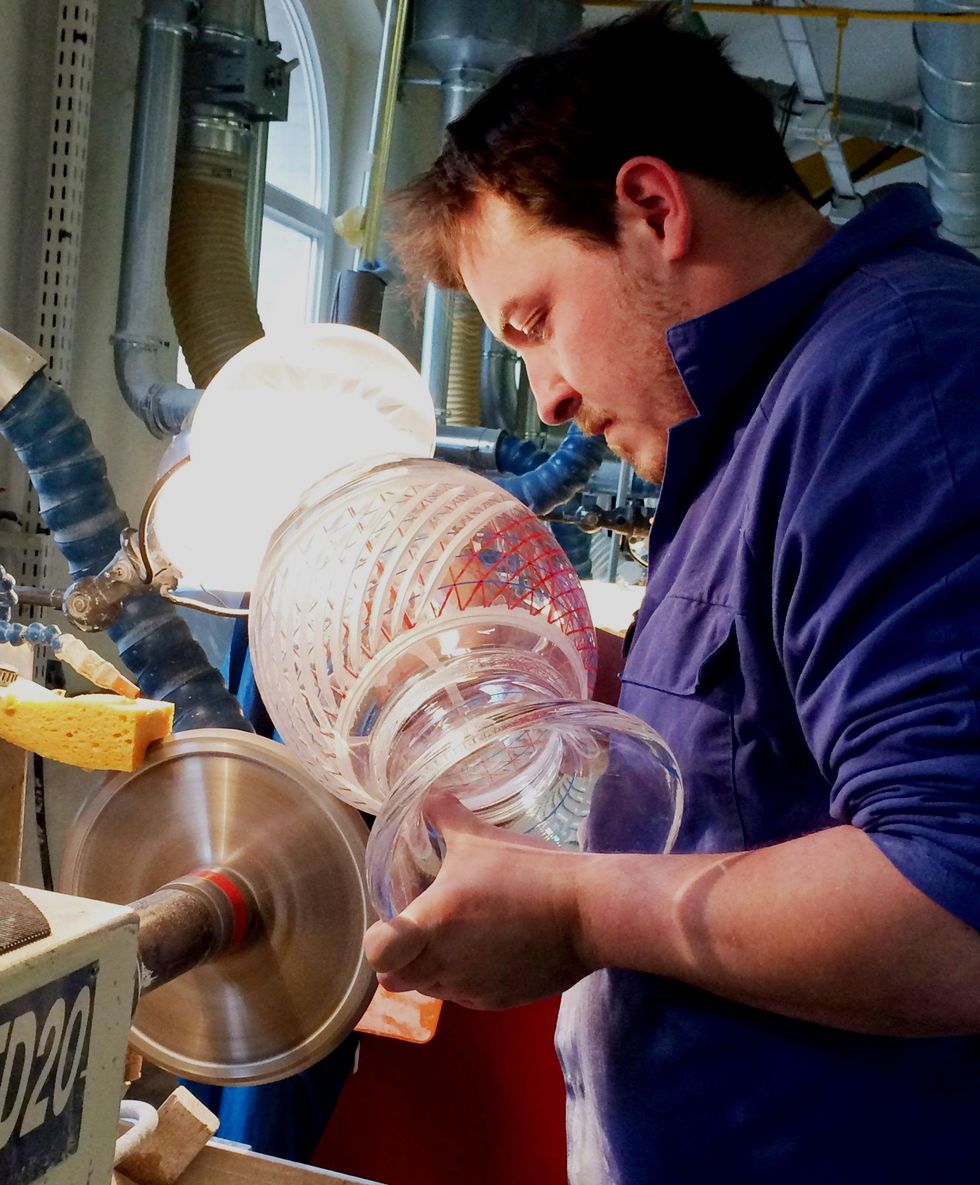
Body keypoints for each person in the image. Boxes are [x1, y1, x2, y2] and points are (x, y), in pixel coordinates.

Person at [363, 5, 980, 1182]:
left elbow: (954, 906)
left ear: (652, 209)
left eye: (536, 323)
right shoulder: (747, 426)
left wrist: (578, 911)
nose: (542, 395)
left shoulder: (899, 381)